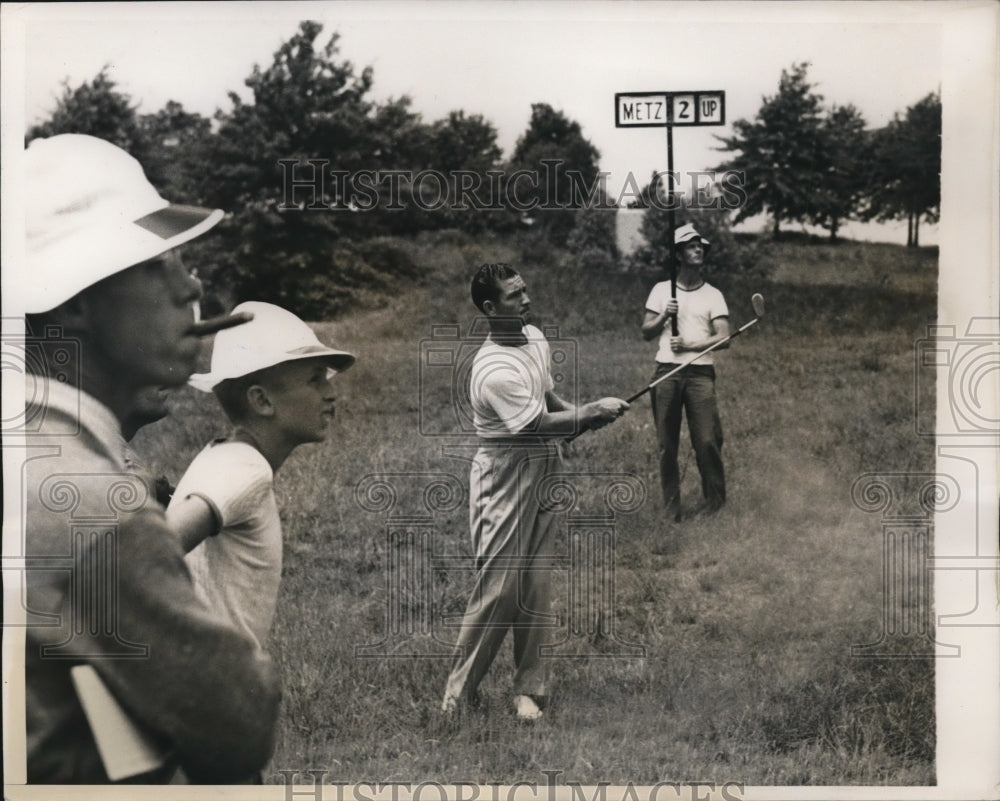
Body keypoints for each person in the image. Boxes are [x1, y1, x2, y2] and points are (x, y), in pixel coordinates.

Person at [21, 133, 280, 783]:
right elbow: (237, 722)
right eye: (158, 262)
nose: (190, 284)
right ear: (74, 300)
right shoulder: (87, 502)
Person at [441, 263, 629, 720]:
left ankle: (530, 690)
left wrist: (579, 418)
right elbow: (533, 422)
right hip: (504, 472)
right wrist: (587, 414)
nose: (525, 301)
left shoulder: (536, 338)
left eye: (525, 290)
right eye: (513, 296)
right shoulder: (492, 368)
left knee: (535, 585)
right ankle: (456, 699)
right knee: (501, 589)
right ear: (489, 308)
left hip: (544, 465)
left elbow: (549, 402)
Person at [166, 301, 355, 650]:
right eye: (315, 379)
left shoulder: (226, 457)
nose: (331, 392)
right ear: (262, 400)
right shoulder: (245, 470)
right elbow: (149, 550)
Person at [641, 223, 731, 524]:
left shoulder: (713, 294)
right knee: (667, 445)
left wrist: (691, 343)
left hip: (700, 374)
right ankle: (671, 509)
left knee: (707, 440)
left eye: (699, 246)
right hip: (666, 371)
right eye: (691, 246)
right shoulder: (660, 290)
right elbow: (646, 332)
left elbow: (724, 336)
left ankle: (715, 505)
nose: (698, 250)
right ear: (679, 253)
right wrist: (666, 314)